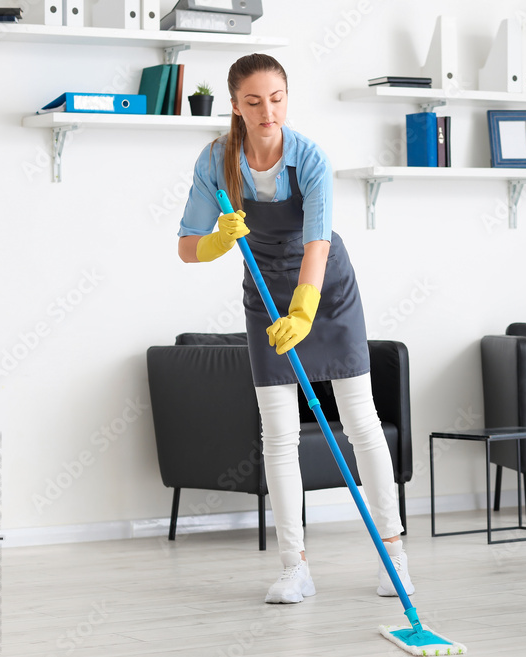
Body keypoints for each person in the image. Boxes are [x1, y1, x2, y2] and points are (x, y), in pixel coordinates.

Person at [176, 53, 414, 604]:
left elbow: (317, 243)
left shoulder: (308, 158)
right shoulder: (215, 161)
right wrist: (217, 241)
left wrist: (305, 310)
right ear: (235, 105)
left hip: (325, 291)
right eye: (254, 101)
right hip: (264, 294)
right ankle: (295, 567)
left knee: (361, 422)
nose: (268, 111)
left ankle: (394, 556)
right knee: (278, 434)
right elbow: (186, 246)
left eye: (277, 99)